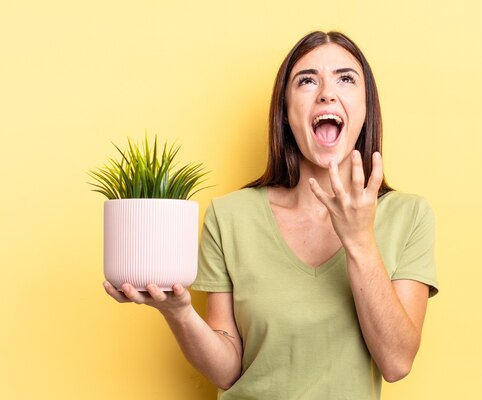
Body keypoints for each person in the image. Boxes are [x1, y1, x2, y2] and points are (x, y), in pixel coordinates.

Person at [104, 30, 438, 399]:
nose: (327, 92)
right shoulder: (229, 217)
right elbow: (228, 371)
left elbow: (396, 362)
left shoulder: (409, 216)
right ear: (285, 111)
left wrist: (359, 239)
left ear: (365, 108)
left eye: (345, 78)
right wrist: (179, 313)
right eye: (307, 81)